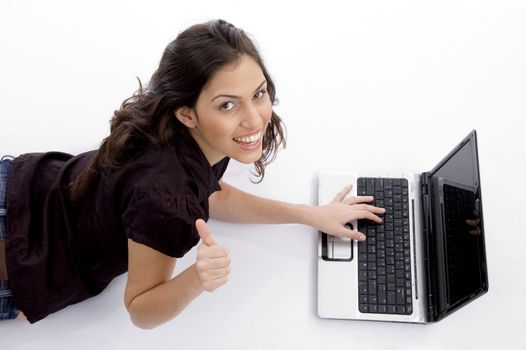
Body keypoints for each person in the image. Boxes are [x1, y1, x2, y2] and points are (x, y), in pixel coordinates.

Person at [0, 19, 384, 328]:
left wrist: (308, 214)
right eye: (228, 105)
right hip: (20, 266)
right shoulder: (166, 202)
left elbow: (210, 193)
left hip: (21, 186)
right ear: (186, 112)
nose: (255, 119)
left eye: (259, 93)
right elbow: (140, 308)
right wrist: (198, 278)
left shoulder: (177, 126)